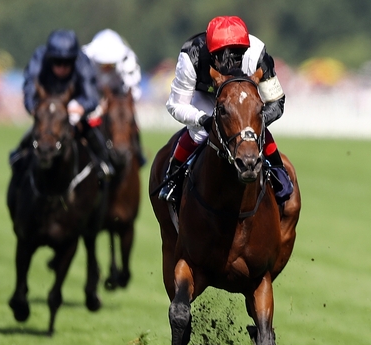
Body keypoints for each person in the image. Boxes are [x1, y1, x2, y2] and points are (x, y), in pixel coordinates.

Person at [159, 15, 292, 205]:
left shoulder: (257, 54)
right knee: (198, 134)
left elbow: (277, 102)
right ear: (210, 51)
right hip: (206, 97)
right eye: (225, 54)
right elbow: (175, 104)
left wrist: (253, 120)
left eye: (238, 53)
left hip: (243, 99)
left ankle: (279, 173)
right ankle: (173, 178)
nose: (232, 60)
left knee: (254, 130)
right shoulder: (191, 55)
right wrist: (202, 119)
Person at [18, 29, 112, 177]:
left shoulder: (83, 61)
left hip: (73, 112)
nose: (62, 67)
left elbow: (92, 96)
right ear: (49, 58)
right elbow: (29, 90)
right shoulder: (39, 58)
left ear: (74, 59)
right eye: (57, 62)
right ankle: (17, 162)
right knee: (27, 143)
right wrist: (36, 109)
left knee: (95, 139)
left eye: (67, 62)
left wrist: (79, 107)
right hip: (46, 113)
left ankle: (105, 165)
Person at [82, 28, 147, 166]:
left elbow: (133, 91)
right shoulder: (84, 58)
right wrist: (98, 107)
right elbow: (83, 88)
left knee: (129, 119)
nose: (106, 67)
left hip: (118, 93)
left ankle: (138, 153)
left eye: (110, 64)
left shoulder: (128, 60)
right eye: (102, 64)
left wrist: (117, 103)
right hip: (93, 93)